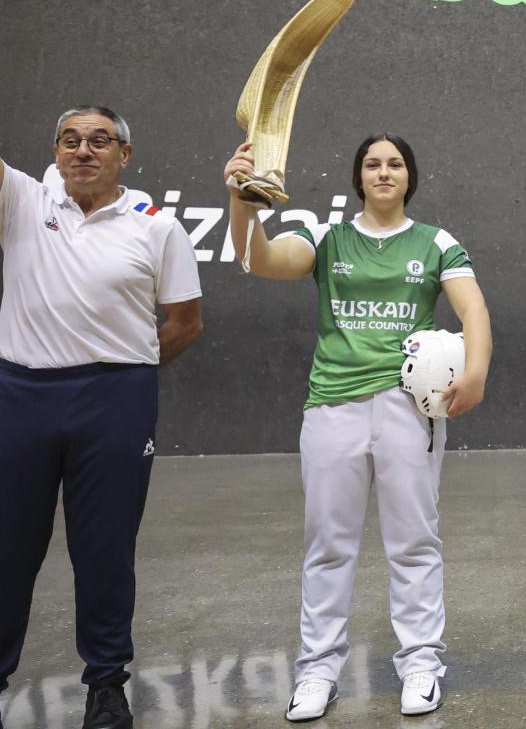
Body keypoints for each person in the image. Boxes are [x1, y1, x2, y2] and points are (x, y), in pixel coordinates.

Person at [223, 133, 491, 720]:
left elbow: (472, 308)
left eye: (394, 164)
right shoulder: (326, 237)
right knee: (328, 545)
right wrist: (243, 200)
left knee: (414, 542)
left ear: (409, 176)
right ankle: (317, 671)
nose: (384, 172)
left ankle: (421, 665)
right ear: (358, 177)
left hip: (406, 409)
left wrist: (475, 371)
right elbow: (260, 259)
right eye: (372, 164)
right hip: (332, 406)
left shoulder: (435, 241)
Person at [0, 106, 203, 729]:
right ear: (56, 150)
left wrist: (127, 371)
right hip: (20, 396)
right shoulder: (21, 200)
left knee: (105, 550)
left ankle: (106, 686)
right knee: (8, 547)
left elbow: (184, 322)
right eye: (70, 140)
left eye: (99, 141)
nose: (83, 151)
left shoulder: (157, 227)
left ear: (125, 154)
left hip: (116, 400)